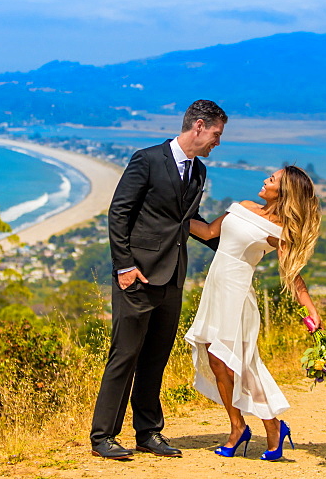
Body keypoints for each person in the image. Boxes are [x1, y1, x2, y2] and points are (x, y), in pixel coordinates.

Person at [90, 100, 227, 460]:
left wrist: (232, 248)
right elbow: (119, 212)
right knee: (125, 355)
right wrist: (124, 267)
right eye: (216, 134)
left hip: (173, 278)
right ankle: (103, 436)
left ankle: (148, 433)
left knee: (156, 358)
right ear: (198, 126)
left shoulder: (199, 173)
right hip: (137, 276)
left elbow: (189, 220)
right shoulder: (147, 159)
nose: (217, 142)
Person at [184, 165, 322, 461]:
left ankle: (273, 426)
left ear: (283, 193)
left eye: (271, 180)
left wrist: (309, 307)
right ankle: (238, 427)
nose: (264, 181)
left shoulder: (278, 232)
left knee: (243, 363)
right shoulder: (242, 207)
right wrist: (173, 216)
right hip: (215, 289)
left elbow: (292, 275)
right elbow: (208, 232)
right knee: (216, 360)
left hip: (237, 295)